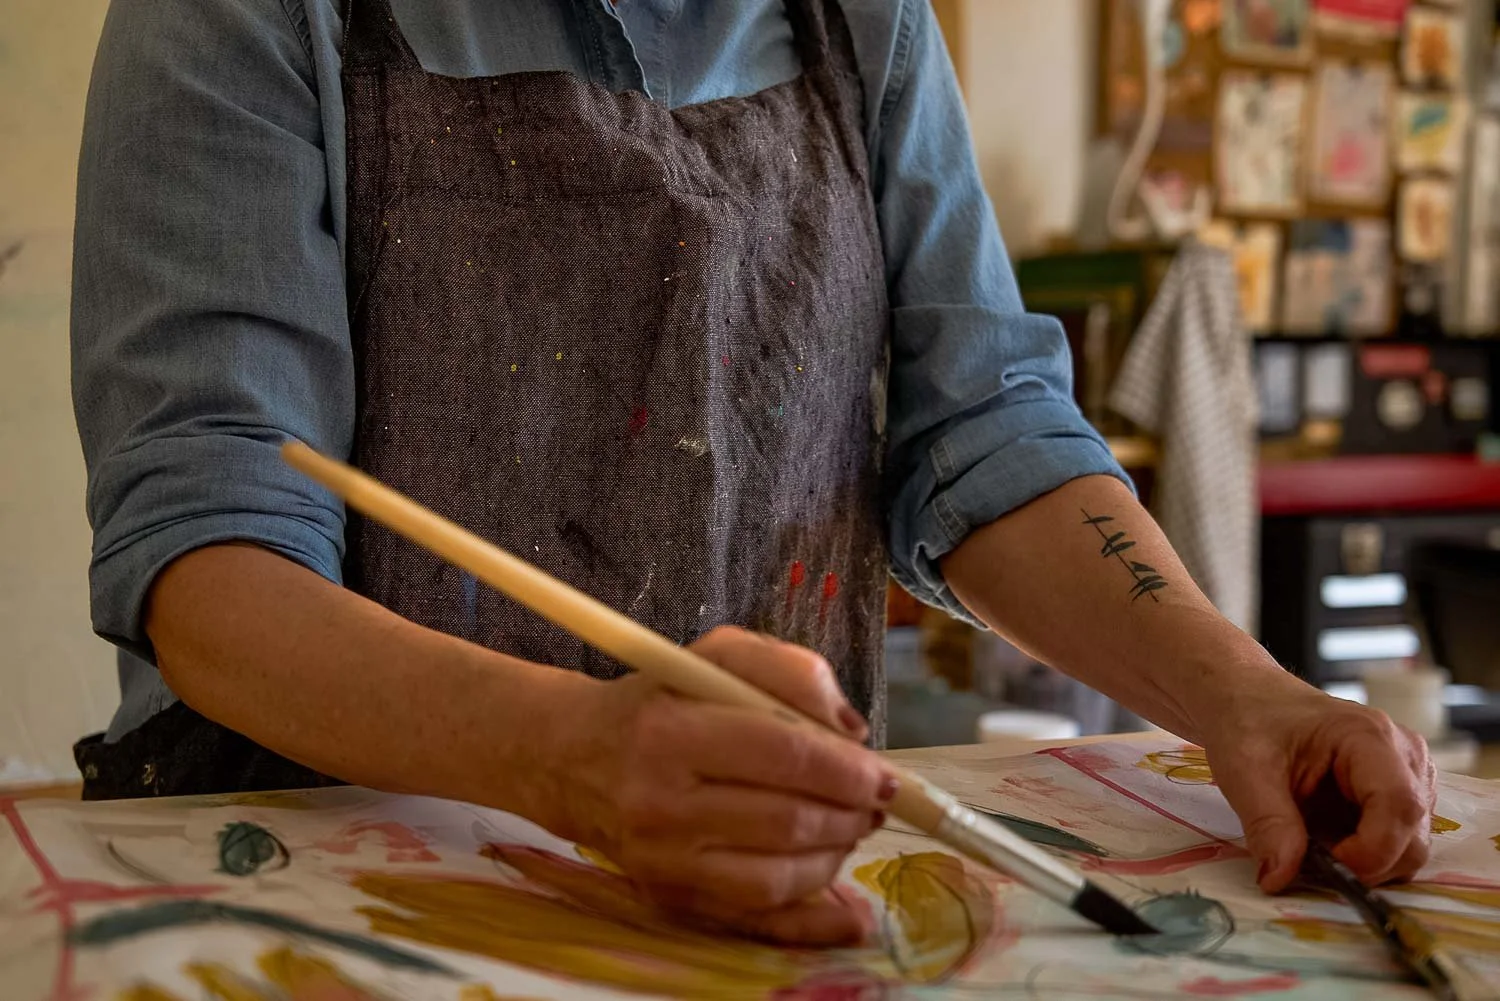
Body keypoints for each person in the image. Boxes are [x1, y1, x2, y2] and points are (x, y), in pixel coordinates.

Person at [70, 0, 1434, 946]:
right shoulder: (244, 17)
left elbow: (987, 439)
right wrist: (567, 757)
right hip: (343, 884)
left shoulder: (867, 20)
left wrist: (1248, 697)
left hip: (772, 869)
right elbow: (209, 543)